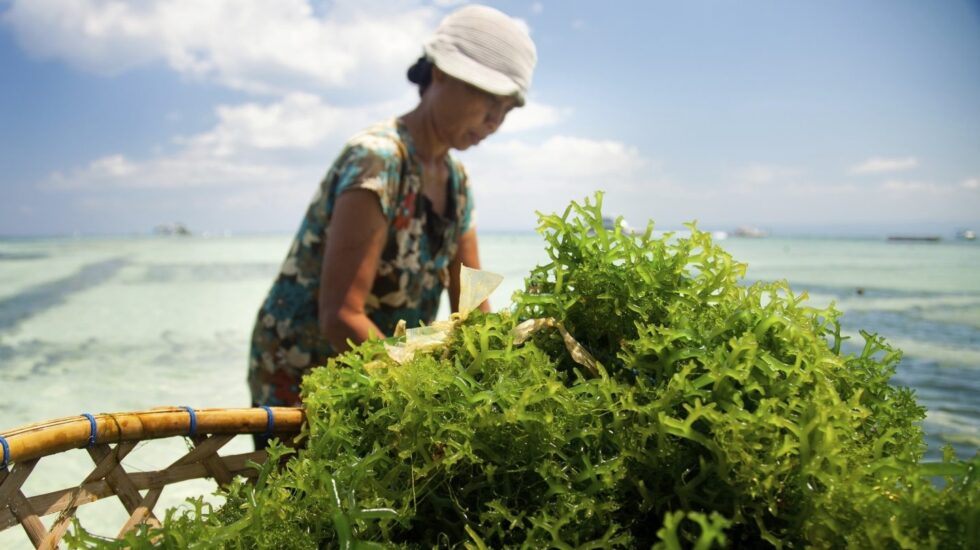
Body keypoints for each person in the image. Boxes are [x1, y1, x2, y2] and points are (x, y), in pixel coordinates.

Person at [247, 4, 537, 446]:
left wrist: (501, 376)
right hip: (305, 367)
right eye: (487, 100)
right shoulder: (380, 159)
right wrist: (426, 396)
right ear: (440, 74)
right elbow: (342, 315)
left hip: (385, 370)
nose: (494, 121)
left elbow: (473, 304)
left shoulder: (457, 181)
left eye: (507, 110)